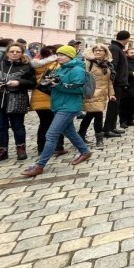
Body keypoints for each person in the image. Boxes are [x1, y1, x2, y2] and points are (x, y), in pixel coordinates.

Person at [21, 46, 92, 177]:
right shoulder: (60, 68)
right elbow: (56, 84)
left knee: (51, 135)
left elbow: (78, 89)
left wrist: (58, 85)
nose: (58, 57)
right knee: (69, 131)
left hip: (69, 106)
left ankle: (39, 165)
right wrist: (48, 83)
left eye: (62, 55)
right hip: (58, 105)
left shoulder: (77, 69)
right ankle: (85, 151)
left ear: (70, 56)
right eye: (58, 54)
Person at [0, 43, 36, 162]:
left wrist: (18, 83)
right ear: (7, 52)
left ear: (22, 53)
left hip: (17, 99)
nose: (14, 53)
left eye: (17, 52)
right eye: (12, 51)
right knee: (0, 127)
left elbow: (32, 83)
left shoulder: (27, 66)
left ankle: (21, 148)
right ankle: (2, 150)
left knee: (17, 126)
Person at [78, 44, 115, 149]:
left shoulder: (107, 64)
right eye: (96, 50)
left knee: (89, 115)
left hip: (102, 95)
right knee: (98, 115)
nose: (98, 52)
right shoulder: (88, 63)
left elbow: (109, 81)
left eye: (101, 50)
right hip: (91, 94)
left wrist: (111, 94)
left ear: (105, 52)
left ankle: (80, 134)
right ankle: (99, 139)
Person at [30, 45, 64, 155]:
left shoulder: (34, 65)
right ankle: (58, 147)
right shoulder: (57, 64)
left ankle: (41, 148)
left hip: (37, 96)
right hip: (52, 96)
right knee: (57, 123)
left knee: (43, 123)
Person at [104, 31, 130, 138]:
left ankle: (112, 127)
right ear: (126, 39)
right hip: (116, 83)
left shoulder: (118, 48)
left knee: (115, 107)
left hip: (119, 82)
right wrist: (112, 84)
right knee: (112, 106)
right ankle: (107, 129)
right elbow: (113, 67)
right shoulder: (114, 48)